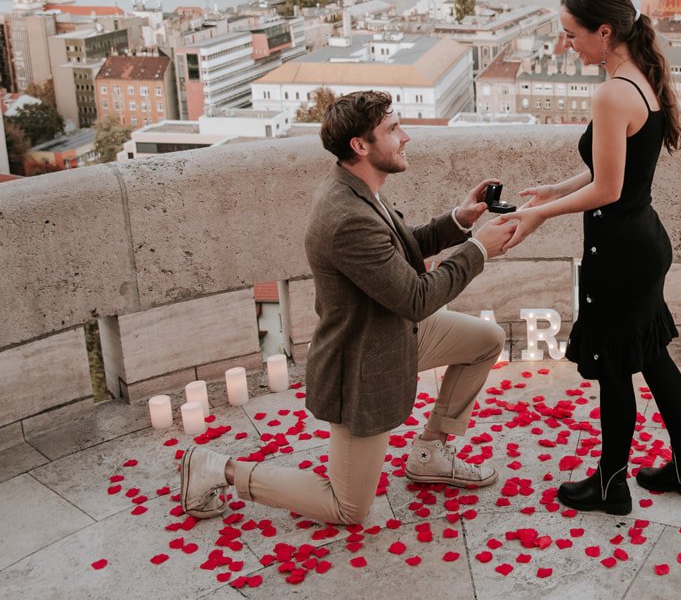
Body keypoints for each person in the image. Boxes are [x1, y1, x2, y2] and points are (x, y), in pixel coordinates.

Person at [178, 90, 517, 524]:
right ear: (360, 146)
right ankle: (217, 469)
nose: (406, 137)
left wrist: (460, 221)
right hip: (364, 365)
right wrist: (479, 250)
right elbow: (416, 298)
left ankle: (431, 451)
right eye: (393, 130)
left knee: (486, 340)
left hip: (393, 336)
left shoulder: (356, 188)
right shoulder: (346, 216)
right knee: (348, 507)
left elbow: (397, 249)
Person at [498, 0, 681, 514]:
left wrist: (538, 214)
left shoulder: (611, 91)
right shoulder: (640, 78)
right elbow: (615, 170)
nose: (566, 46)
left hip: (618, 253)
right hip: (643, 242)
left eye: (571, 35)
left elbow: (608, 189)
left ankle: (611, 484)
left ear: (604, 31)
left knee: (616, 369)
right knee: (654, 358)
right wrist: (555, 189)